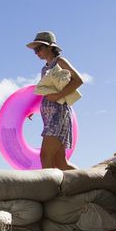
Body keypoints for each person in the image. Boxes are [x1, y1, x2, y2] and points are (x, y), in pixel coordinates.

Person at [26, 31, 84, 170]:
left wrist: (58, 96)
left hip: (59, 114)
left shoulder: (60, 61)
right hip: (48, 117)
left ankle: (51, 191)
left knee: (45, 156)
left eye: (39, 48)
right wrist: (31, 109)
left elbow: (79, 80)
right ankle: (90, 180)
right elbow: (44, 91)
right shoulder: (44, 69)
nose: (36, 52)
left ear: (50, 47)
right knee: (61, 163)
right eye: (35, 50)